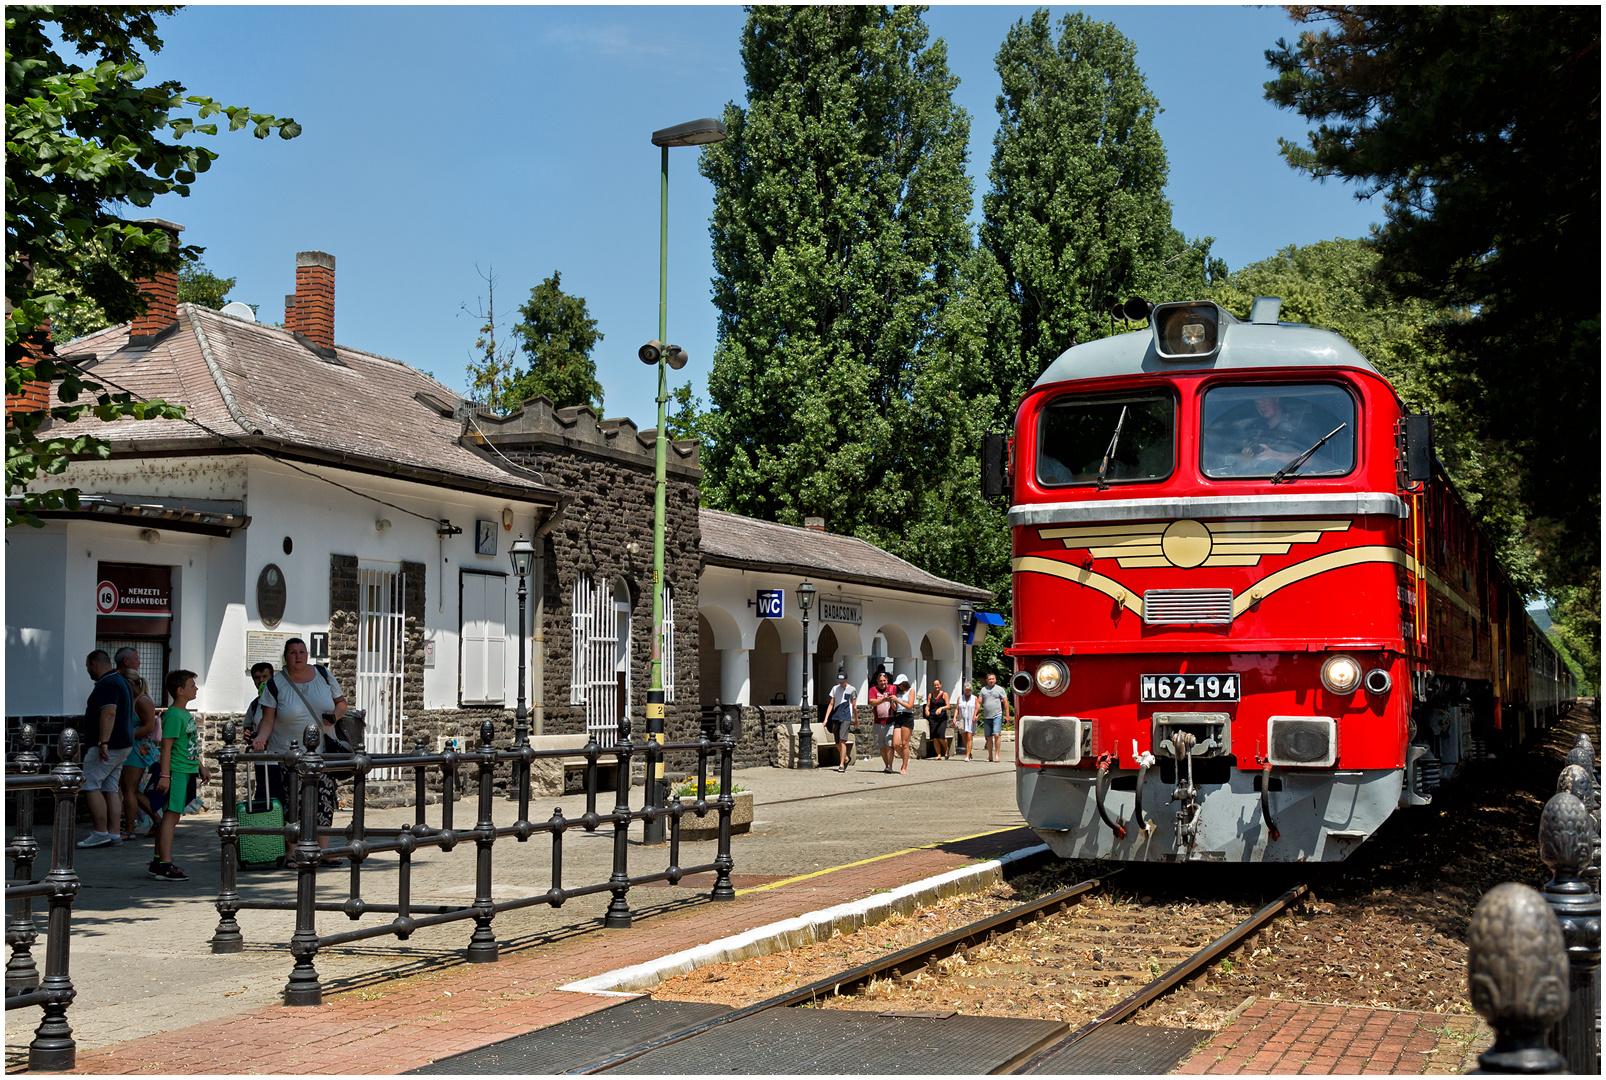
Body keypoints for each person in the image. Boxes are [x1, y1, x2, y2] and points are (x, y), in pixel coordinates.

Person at [250, 638, 347, 859]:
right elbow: (267, 719)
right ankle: (293, 850)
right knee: (293, 801)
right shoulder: (276, 684)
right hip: (289, 753)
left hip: (321, 752)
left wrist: (334, 716)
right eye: (293, 653)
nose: (298, 656)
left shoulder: (323, 675)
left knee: (324, 799)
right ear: (286, 656)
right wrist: (261, 739)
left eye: (302, 652)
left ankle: (323, 849)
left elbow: (341, 703)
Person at [149, 669, 209, 881]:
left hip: (186, 769)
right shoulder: (174, 715)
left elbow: (188, 744)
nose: (196, 688)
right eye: (192, 685)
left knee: (171, 816)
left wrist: (200, 766)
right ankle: (165, 864)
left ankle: (158, 860)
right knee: (171, 817)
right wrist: (165, 775)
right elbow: (167, 746)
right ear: (180, 690)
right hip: (176, 771)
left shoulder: (184, 714)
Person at [75, 650, 134, 849]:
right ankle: (114, 833)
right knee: (111, 787)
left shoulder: (107, 684)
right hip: (123, 744)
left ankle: (100, 832)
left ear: (93, 663)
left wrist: (103, 742)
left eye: (87, 667)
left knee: (90, 784)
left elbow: (109, 713)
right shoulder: (121, 681)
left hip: (109, 745)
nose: (88, 671)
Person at [117, 664, 161, 841]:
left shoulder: (142, 701)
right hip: (133, 748)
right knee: (132, 790)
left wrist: (128, 736)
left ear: (129, 683)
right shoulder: (135, 699)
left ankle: (129, 829)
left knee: (129, 789)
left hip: (137, 750)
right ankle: (156, 820)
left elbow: (149, 726)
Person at [976, 671, 1012, 763]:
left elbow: (1005, 703)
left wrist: (1007, 716)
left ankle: (997, 755)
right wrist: (975, 713)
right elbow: (979, 703)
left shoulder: (1000, 689)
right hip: (986, 716)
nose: (991, 681)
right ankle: (990, 756)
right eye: (989, 679)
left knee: (996, 734)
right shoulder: (983, 690)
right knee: (988, 737)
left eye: (993, 679)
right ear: (987, 680)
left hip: (997, 715)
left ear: (995, 679)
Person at [867, 671, 898, 774]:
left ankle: (890, 765)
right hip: (878, 722)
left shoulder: (892, 688)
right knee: (882, 745)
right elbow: (872, 702)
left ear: (887, 680)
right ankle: (886, 765)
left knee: (890, 743)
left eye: (884, 680)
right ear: (877, 681)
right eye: (880, 681)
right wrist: (884, 699)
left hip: (890, 721)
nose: (882, 682)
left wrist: (892, 701)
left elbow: (895, 704)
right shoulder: (873, 690)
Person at [824, 672, 856, 772]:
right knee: (837, 742)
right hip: (835, 716)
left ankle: (841, 764)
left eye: (843, 681)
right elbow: (831, 704)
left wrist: (856, 719)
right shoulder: (835, 689)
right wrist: (826, 718)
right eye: (839, 681)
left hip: (846, 717)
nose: (841, 683)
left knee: (842, 740)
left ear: (846, 679)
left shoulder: (852, 689)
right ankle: (846, 757)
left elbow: (854, 706)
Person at [890, 674, 916, 775]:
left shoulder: (911, 691)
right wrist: (892, 701)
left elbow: (909, 706)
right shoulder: (898, 693)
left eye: (900, 685)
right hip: (899, 716)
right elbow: (896, 708)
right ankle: (905, 757)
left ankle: (904, 766)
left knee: (905, 743)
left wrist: (897, 700)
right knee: (896, 744)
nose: (899, 687)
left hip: (907, 717)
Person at [924, 679, 951, 760]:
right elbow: (928, 705)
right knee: (935, 737)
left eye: (938, 685)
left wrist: (941, 708)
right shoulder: (930, 695)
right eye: (935, 685)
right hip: (933, 718)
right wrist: (926, 710)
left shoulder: (944, 694)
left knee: (941, 736)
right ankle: (938, 754)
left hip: (941, 718)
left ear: (940, 685)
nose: (936, 686)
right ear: (933, 686)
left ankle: (946, 750)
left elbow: (948, 706)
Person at [953, 683, 978, 761]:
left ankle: (967, 756)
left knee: (969, 737)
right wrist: (954, 717)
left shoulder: (974, 698)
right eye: (966, 690)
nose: (967, 692)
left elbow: (978, 709)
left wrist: (976, 716)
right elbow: (957, 708)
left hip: (971, 720)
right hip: (962, 719)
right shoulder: (960, 698)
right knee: (964, 737)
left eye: (969, 691)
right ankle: (969, 752)